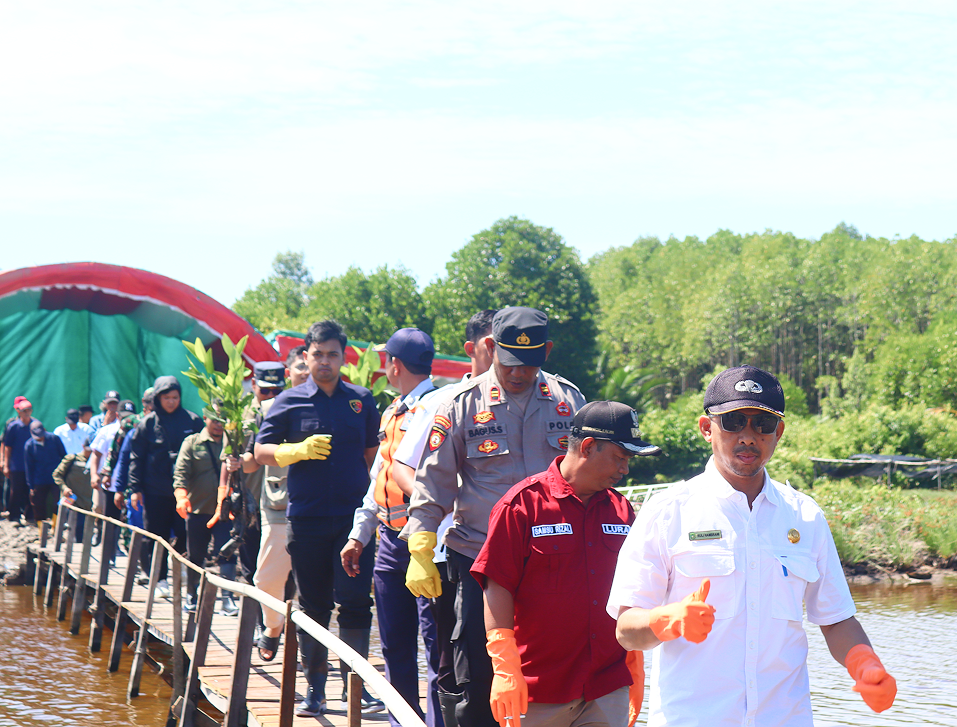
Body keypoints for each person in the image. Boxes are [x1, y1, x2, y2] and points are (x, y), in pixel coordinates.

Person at [609, 365, 898, 727]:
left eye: (762, 424)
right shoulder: (667, 512)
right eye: (732, 422)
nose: (748, 436)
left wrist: (864, 663)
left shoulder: (805, 517)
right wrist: (665, 620)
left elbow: (836, 618)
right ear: (706, 428)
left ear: (777, 433)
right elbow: (626, 630)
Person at [403, 306, 587, 727]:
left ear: (548, 351)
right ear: (490, 347)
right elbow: (434, 483)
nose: (518, 374)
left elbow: (587, 479)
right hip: (480, 561)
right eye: (508, 363)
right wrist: (420, 545)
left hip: (553, 560)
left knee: (555, 669)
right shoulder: (460, 404)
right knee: (479, 674)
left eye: (529, 364)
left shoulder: (568, 401)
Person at [472, 401, 662, 727]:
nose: (625, 469)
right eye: (620, 457)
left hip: (606, 685)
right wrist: (505, 666)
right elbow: (497, 585)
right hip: (537, 689)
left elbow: (632, 587)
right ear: (588, 447)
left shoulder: (622, 511)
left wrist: (633, 658)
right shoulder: (521, 505)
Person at [255, 319, 381, 718]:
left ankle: (355, 686)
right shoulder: (287, 402)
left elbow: (372, 456)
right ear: (305, 357)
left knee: (357, 603)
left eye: (332, 354)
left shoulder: (361, 399)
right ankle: (315, 689)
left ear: (344, 358)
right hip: (306, 519)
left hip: (353, 520)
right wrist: (293, 451)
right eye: (317, 354)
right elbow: (260, 452)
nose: (324, 362)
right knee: (313, 606)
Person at [391, 309, 496, 727]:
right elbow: (401, 466)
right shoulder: (442, 401)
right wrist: (443, 500)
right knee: (451, 660)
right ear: (473, 349)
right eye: (494, 344)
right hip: (449, 553)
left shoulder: (542, 400)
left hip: (515, 556)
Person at [341, 328, 440, 726]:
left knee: (436, 645)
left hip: (428, 544)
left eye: (386, 359)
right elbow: (378, 476)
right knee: (395, 643)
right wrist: (358, 534)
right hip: (388, 542)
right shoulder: (394, 410)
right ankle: (403, 719)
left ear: (394, 364)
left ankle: (436, 721)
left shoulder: (439, 406)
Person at [236, 352, 307, 663]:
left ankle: (308, 656)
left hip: (310, 502)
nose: (271, 396)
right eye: (266, 390)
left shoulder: (314, 404)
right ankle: (273, 625)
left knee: (307, 584)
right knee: (261, 575)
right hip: (266, 501)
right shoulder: (255, 413)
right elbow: (251, 461)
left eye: (275, 390)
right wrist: (237, 461)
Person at [129, 376, 203, 598]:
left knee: (184, 533)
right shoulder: (147, 424)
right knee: (156, 535)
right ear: (157, 399)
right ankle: (160, 578)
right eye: (166, 398)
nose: (171, 402)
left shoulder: (192, 421)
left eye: (175, 397)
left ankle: (180, 573)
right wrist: (135, 488)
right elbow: (136, 457)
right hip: (155, 489)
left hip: (185, 492)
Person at [174, 409, 239, 615]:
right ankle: (192, 594)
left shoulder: (234, 443)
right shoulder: (192, 443)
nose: (219, 424)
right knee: (196, 554)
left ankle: (228, 599)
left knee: (226, 554)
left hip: (225, 512)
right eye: (215, 420)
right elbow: (181, 472)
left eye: (223, 420)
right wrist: (181, 495)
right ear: (205, 419)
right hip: (199, 509)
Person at [24, 420, 67, 522]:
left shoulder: (54, 439)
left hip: (55, 478)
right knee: (38, 504)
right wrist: (31, 486)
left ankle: (56, 525)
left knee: (58, 502)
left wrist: (64, 475)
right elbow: (29, 467)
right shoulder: (29, 445)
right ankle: (41, 528)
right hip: (39, 479)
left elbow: (64, 457)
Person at [3, 397, 37, 523]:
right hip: (17, 465)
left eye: (29, 410)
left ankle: (30, 516)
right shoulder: (13, 426)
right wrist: (6, 465)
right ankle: (14, 516)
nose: (27, 412)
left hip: (32, 465)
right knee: (16, 491)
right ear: (19, 412)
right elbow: (8, 446)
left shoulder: (35, 425)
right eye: (24, 410)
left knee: (31, 491)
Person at [53, 440, 95, 541]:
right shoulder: (72, 459)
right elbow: (57, 474)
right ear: (83, 447)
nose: (89, 452)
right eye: (88, 450)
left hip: (88, 504)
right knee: (73, 528)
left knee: (85, 531)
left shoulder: (96, 462)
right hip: (73, 502)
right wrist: (64, 488)